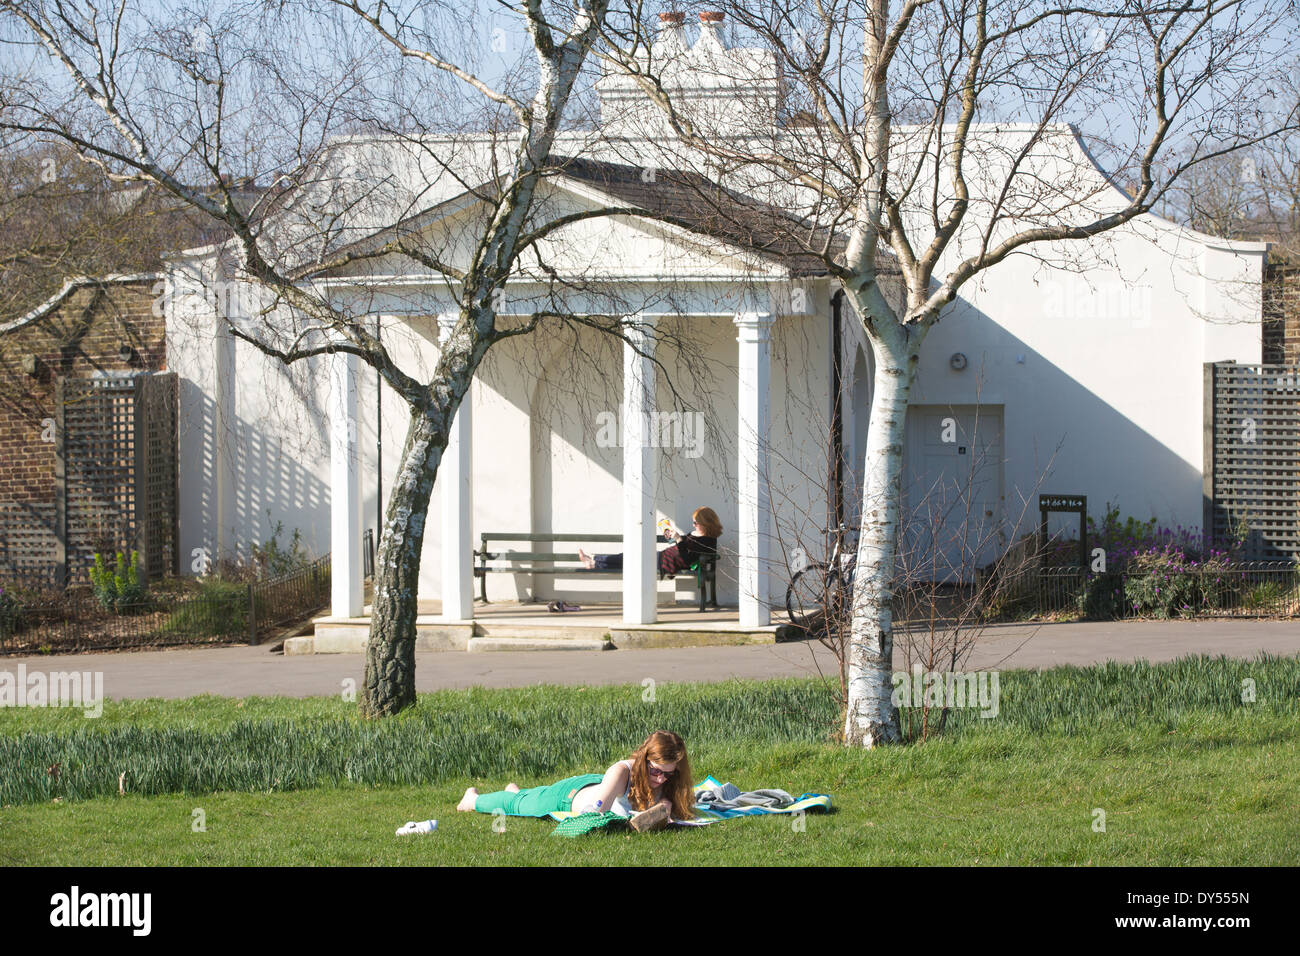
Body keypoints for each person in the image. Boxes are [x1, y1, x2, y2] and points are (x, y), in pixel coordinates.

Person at [457, 730, 695, 827]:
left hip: (597, 783)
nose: (661, 778)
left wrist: (665, 806)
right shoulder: (623, 771)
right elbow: (593, 812)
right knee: (517, 805)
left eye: (668, 773)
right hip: (566, 797)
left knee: (522, 796)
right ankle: (472, 799)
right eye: (656, 770)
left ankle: (516, 790)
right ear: (644, 760)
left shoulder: (669, 779)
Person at [577, 506, 721, 576]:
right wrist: (674, 537)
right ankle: (595, 562)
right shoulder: (697, 533)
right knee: (630, 557)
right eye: (693, 522)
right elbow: (684, 544)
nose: (693, 525)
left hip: (666, 563)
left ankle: (595, 561)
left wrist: (679, 540)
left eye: (696, 522)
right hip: (663, 556)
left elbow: (687, 558)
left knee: (631, 559)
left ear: (706, 522)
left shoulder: (708, 541)